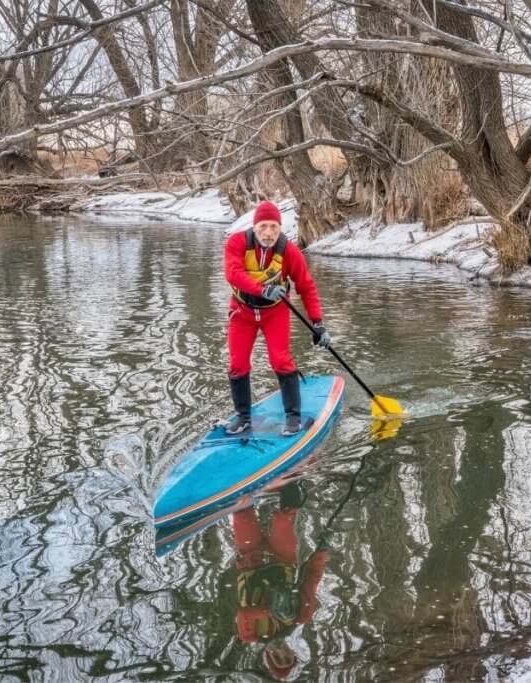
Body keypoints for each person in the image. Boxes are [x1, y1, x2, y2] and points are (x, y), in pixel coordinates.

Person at [223, 200, 331, 436]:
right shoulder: (237, 242)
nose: (269, 233)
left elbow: (306, 287)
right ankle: (242, 418)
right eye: (263, 226)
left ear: (280, 228)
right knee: (237, 364)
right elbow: (233, 274)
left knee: (280, 360)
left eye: (274, 226)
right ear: (254, 226)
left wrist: (318, 324)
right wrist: (262, 289)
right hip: (242, 312)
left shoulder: (289, 251)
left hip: (275, 312)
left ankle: (293, 417)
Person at [232, 481, 330, 680]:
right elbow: (312, 579)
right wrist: (322, 553)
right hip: (282, 560)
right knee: (285, 518)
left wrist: (269, 611)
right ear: (292, 652)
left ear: (269, 656)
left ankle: (240, 482)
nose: (281, 652)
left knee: (242, 514)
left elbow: (244, 614)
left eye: (278, 658)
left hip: (251, 561)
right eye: (287, 657)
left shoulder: (250, 636)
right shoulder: (300, 616)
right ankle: (287, 482)